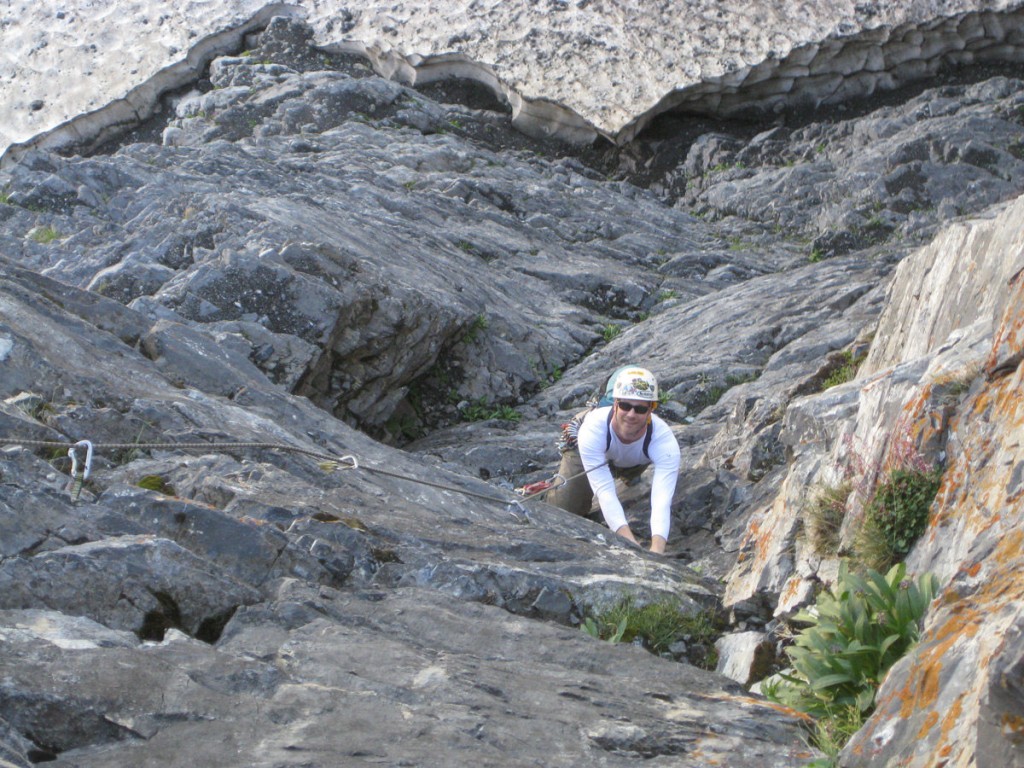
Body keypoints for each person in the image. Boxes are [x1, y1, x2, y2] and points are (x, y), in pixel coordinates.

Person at [548, 366, 680, 553]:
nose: (631, 415)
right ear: (615, 404)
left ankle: (627, 475)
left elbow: (662, 501)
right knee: (561, 511)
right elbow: (605, 493)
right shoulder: (593, 429)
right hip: (587, 450)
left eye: (640, 409)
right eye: (625, 406)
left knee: (627, 463)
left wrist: (656, 551)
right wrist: (632, 544)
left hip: (631, 458)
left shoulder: (664, 441)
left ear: (651, 410)